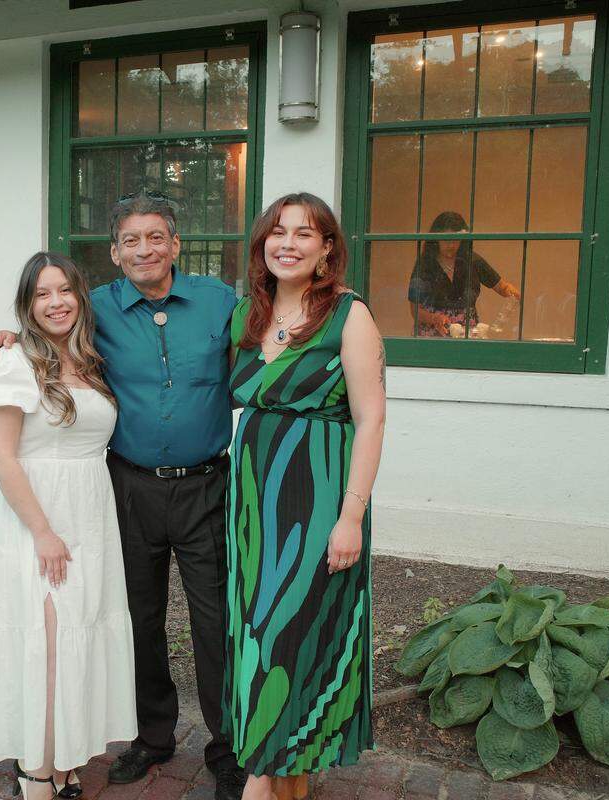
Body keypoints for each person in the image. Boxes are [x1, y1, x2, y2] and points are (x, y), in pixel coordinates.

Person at [0, 190, 247, 800]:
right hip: (125, 489)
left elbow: (263, 353)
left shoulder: (218, 301)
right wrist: (3, 337)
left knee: (215, 620)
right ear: (115, 252)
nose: (146, 249)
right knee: (135, 616)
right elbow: (46, 320)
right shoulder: (94, 307)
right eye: (132, 240)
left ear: (175, 244)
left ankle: (227, 746)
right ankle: (152, 737)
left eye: (157, 237)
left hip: (207, 484)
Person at [224, 193, 386, 800]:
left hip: (319, 500)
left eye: (305, 233)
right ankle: (276, 778)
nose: (287, 243)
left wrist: (351, 517)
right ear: (263, 243)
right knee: (259, 637)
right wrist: (9, 335)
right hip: (254, 506)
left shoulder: (349, 315)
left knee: (294, 639)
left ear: (325, 251)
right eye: (277, 232)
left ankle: (261, 783)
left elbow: (371, 420)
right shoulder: (244, 315)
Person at [0, 252, 137, 800]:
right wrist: (42, 531)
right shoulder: (14, 363)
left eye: (64, 291)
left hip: (90, 512)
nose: (56, 302)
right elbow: (0, 456)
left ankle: (64, 761)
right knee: (45, 644)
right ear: (26, 305)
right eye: (42, 294)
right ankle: (36, 772)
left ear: (80, 297)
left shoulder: (90, 360)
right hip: (35, 519)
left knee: (75, 638)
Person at [408, 210, 521, 336]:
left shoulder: (473, 260)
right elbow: (415, 310)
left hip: (466, 334)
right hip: (432, 334)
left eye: (456, 240)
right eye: (446, 240)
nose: (451, 245)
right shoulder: (425, 265)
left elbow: (501, 286)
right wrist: (435, 318)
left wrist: (509, 291)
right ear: (436, 239)